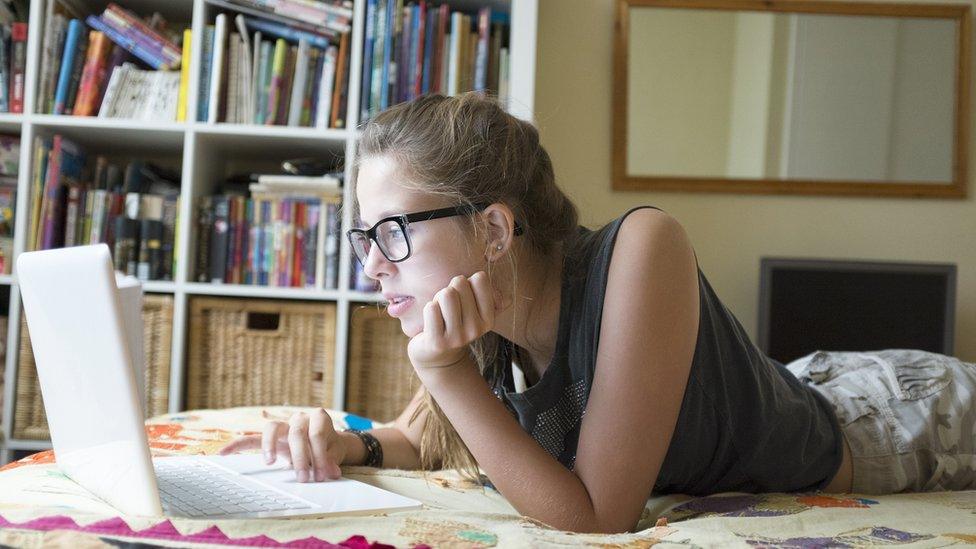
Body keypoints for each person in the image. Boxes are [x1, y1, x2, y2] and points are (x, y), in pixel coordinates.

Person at [220, 92, 976, 534]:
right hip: (812, 382)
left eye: (393, 232)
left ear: (493, 228)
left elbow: (595, 517)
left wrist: (447, 371)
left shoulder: (641, 250)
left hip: (891, 415)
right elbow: (417, 441)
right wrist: (341, 443)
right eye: (365, 236)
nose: (372, 264)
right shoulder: (487, 316)